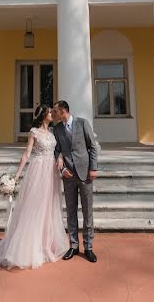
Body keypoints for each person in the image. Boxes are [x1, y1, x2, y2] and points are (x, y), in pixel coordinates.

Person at [0, 104, 69, 269]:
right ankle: (28, 247)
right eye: (49, 112)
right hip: (38, 171)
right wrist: (15, 177)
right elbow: (26, 154)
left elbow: (59, 149)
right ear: (43, 116)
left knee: (48, 207)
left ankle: (44, 244)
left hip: (51, 173)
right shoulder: (34, 132)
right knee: (34, 207)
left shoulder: (53, 132)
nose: (52, 114)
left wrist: (60, 157)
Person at [51, 99, 99, 263]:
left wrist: (93, 168)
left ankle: (89, 247)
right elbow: (56, 150)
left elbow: (92, 147)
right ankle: (73, 245)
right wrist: (62, 169)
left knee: (87, 212)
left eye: (55, 112)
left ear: (63, 111)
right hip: (68, 176)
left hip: (85, 174)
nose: (53, 114)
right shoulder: (56, 129)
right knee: (71, 211)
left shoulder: (83, 123)